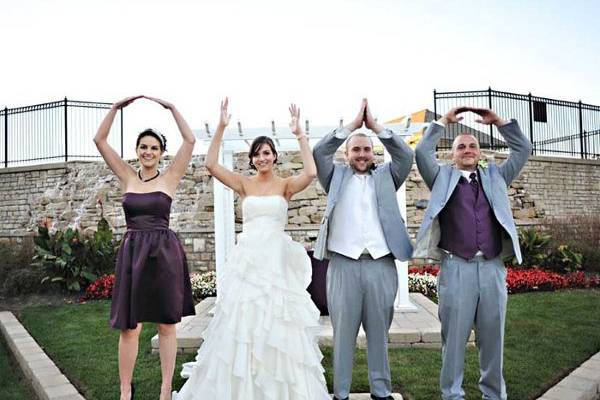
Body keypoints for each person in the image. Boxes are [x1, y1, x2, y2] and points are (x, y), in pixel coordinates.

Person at [173, 98, 330, 400]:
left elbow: (310, 173)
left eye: (266, 153)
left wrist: (299, 134)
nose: (262, 158)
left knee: (278, 322)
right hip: (249, 264)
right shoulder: (244, 184)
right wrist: (220, 127)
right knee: (243, 322)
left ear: (274, 156)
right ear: (252, 159)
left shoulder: (285, 185)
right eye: (257, 154)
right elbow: (210, 164)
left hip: (276, 263)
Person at [413, 106, 532, 400]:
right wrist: (442, 123)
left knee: (493, 340)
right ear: (452, 154)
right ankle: (452, 395)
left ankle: (494, 395)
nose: (467, 149)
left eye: (472, 146)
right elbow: (421, 152)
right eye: (461, 146)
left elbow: (523, 148)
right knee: (453, 341)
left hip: (492, 269)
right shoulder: (440, 178)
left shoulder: (496, 177)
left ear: (479, 152)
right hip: (456, 269)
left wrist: (500, 122)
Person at [93, 95, 196, 400]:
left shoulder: (171, 177)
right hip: (133, 254)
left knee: (166, 324)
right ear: (137, 152)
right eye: (143, 147)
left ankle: (166, 389)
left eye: (154, 147)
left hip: (164, 255)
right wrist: (113, 109)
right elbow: (99, 140)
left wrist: (173, 108)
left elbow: (190, 140)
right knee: (130, 327)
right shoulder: (126, 175)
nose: (148, 151)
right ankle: (126, 390)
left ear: (162, 153)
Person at [312, 99, 414, 400]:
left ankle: (380, 392)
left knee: (379, 335)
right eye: (356, 149)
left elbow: (405, 155)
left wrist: (377, 129)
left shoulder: (387, 176)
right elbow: (319, 153)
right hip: (343, 265)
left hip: (381, 265)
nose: (361, 154)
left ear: (373, 153)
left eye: (366, 149)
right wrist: (352, 127)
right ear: (346, 153)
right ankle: (340, 394)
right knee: (343, 334)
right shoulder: (334, 177)